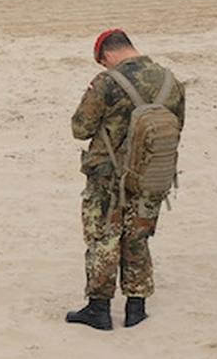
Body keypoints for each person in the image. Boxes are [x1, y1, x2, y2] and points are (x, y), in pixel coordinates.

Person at [66, 29, 186, 331]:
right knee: (138, 235)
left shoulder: (107, 82)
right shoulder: (170, 81)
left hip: (107, 174)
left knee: (104, 236)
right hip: (151, 171)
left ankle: (99, 309)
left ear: (107, 55)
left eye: (102, 63)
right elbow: (177, 125)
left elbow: (80, 128)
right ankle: (136, 308)